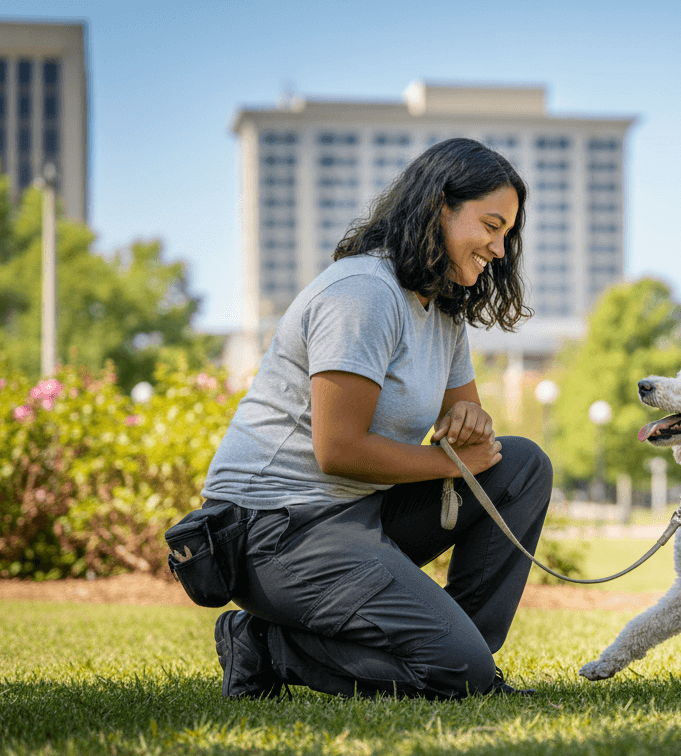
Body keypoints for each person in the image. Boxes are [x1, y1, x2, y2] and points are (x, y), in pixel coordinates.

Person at [200, 137, 552, 700]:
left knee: (522, 466)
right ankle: (263, 643)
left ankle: (467, 662)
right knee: (456, 671)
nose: (500, 248)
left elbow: (469, 432)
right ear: (439, 208)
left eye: (507, 233)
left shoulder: (441, 309)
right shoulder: (363, 292)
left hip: (355, 511)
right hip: (273, 526)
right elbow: (338, 450)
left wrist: (470, 420)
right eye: (491, 226)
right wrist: (450, 462)